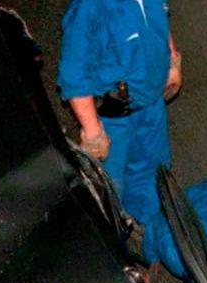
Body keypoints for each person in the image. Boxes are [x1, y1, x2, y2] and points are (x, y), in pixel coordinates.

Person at [58, 0, 181, 235]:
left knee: (153, 172)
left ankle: (149, 229)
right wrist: (94, 134)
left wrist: (172, 63)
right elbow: (75, 78)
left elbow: (160, 21)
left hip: (152, 107)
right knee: (110, 187)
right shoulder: (89, 10)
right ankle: (117, 241)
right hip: (113, 121)